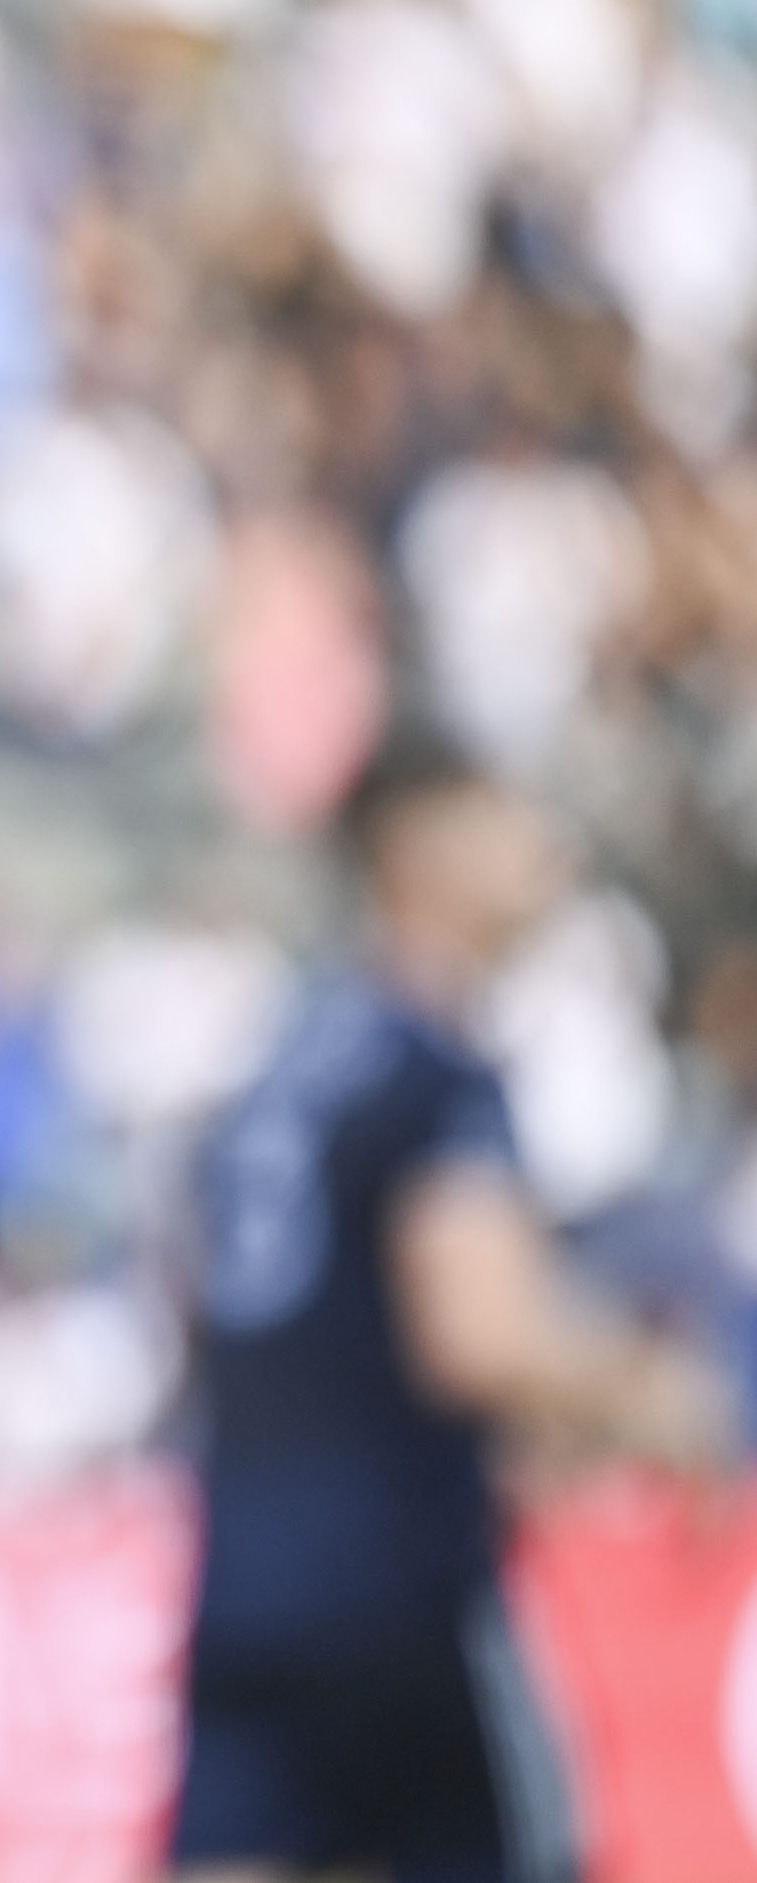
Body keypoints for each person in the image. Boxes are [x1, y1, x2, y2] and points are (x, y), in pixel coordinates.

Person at [175, 752, 731, 1883]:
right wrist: (655, 1396)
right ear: (417, 849)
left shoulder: (276, 1063)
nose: (542, 845)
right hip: (398, 1588)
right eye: (505, 812)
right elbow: (475, 1334)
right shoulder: (430, 1070)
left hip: (244, 1573)